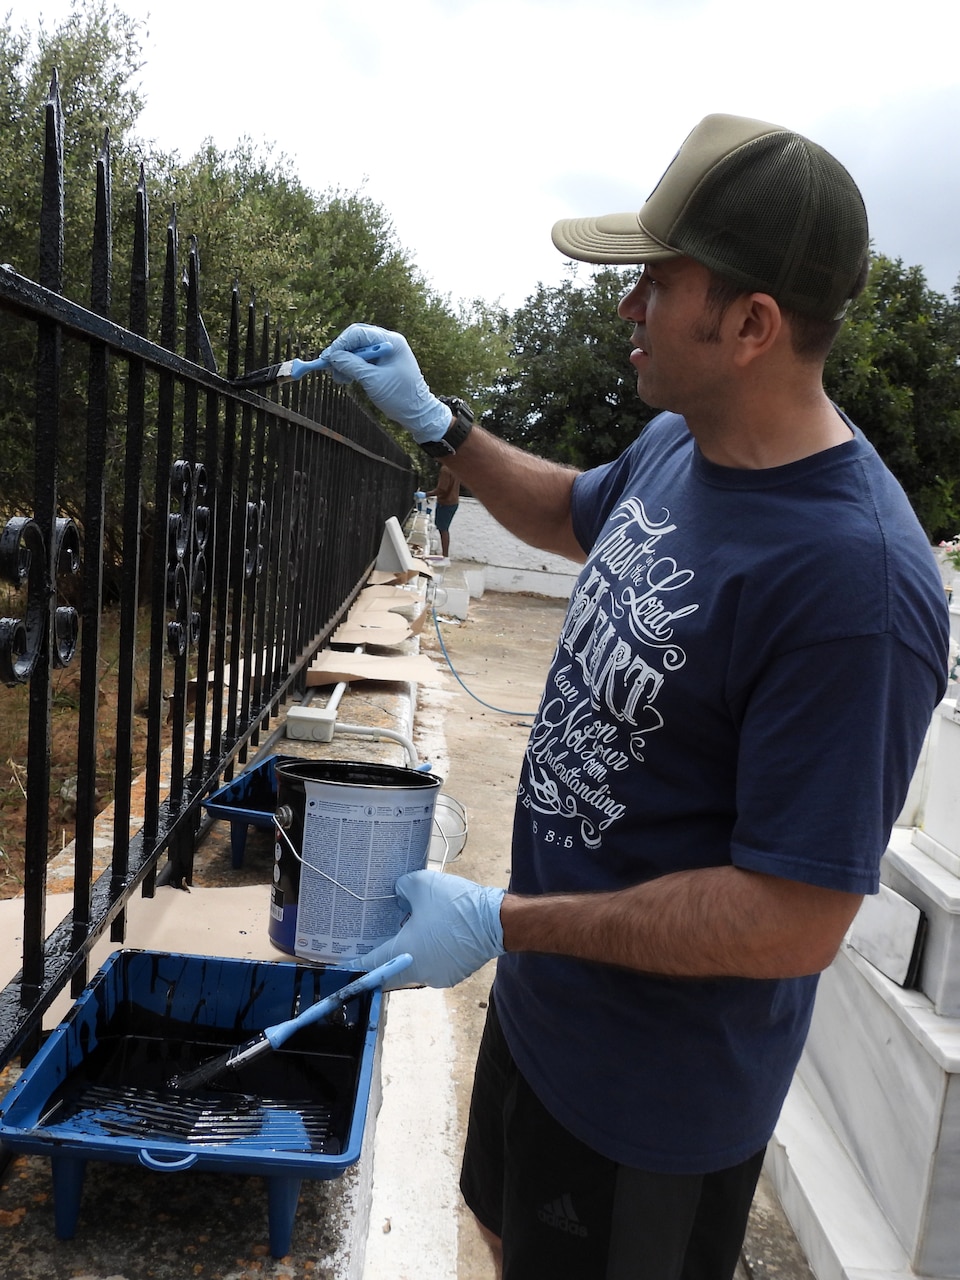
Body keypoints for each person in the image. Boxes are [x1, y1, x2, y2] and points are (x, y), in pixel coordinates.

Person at [321, 113, 950, 1280]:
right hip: (545, 1011)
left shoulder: (854, 587)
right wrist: (441, 424)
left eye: (658, 284)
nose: (627, 309)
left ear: (753, 323)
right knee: (506, 1234)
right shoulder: (683, 443)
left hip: (655, 1102)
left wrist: (504, 921)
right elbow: (571, 510)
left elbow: (794, 917)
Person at [427, 463, 460, 557]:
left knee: (443, 529)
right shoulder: (454, 467)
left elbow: (442, 489)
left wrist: (426, 494)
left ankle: (445, 557)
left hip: (446, 503)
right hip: (453, 502)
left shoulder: (445, 469)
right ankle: (445, 556)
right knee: (443, 529)